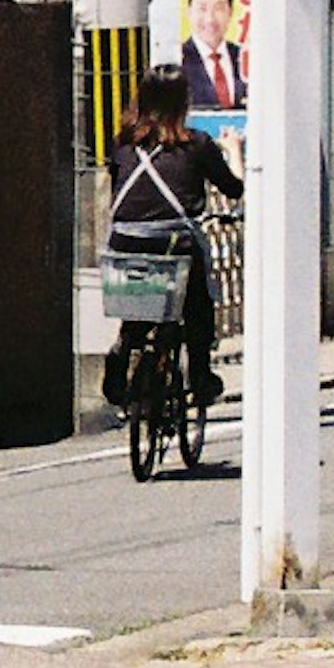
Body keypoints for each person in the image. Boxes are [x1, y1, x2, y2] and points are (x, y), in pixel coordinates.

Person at [103, 63, 244, 413]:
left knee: (140, 305)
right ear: (183, 101)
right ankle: (200, 377)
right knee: (198, 307)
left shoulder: (123, 144)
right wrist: (235, 152)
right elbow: (233, 188)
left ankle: (124, 349)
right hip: (175, 244)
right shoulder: (196, 144)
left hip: (125, 241)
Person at [178, 0, 249, 110]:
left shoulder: (244, 56)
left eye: (218, 8)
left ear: (230, 12)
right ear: (189, 12)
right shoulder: (177, 60)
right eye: (202, 9)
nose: (210, 19)